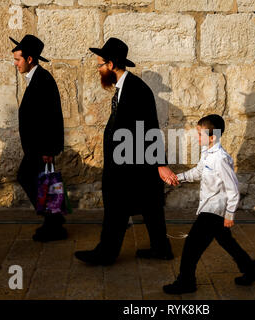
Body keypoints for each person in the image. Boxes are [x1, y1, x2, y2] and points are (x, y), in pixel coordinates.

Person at [75, 38, 179, 265]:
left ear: (111, 65)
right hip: (130, 160)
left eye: (100, 65)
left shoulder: (136, 90)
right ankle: (161, 249)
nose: (99, 69)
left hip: (130, 162)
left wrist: (160, 164)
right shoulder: (125, 87)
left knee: (117, 207)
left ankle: (106, 254)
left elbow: (149, 129)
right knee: (149, 206)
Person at [163, 114, 255, 294]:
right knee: (227, 242)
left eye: (200, 134)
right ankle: (252, 270)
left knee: (191, 247)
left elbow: (233, 189)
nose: (197, 137)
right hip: (208, 207)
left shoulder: (220, 158)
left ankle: (186, 282)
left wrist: (229, 214)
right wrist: (178, 178)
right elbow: (199, 171)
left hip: (214, 210)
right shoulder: (207, 152)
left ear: (213, 137)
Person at [10, 34, 66, 242]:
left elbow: (51, 116)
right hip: (37, 147)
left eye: (18, 60)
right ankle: (55, 221)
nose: (15, 64)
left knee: (31, 178)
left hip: (41, 148)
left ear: (30, 59)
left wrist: (49, 150)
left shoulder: (43, 80)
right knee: (45, 182)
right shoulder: (36, 78)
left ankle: (53, 223)